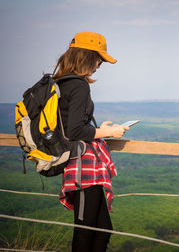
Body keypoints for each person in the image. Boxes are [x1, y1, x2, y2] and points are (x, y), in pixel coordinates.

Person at [53, 31, 128, 252]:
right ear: (86, 56)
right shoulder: (79, 86)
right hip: (82, 167)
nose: (98, 66)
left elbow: (70, 124)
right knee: (85, 231)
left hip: (85, 165)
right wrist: (110, 132)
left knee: (103, 228)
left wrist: (100, 130)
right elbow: (75, 129)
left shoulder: (62, 83)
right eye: (98, 59)